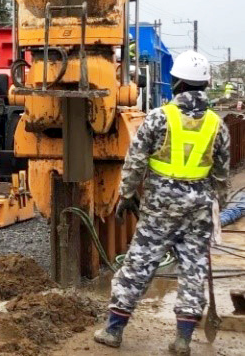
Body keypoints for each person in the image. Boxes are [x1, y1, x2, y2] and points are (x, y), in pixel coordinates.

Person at [94, 50, 231, 356]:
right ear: (205, 85)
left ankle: (114, 330)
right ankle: (183, 339)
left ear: (176, 83)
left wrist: (126, 196)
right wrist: (216, 208)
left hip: (159, 209)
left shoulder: (158, 118)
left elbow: (135, 162)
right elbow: (221, 175)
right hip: (197, 209)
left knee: (138, 266)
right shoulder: (217, 125)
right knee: (193, 270)